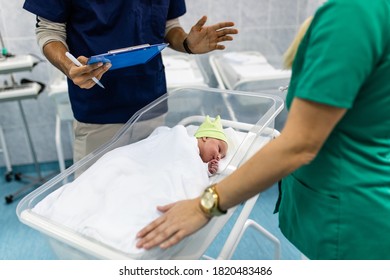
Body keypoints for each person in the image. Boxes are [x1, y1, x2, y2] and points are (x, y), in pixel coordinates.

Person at [136, 0, 390, 260]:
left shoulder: (356, 13)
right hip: (352, 205)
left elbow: (299, 144)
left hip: (351, 218)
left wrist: (204, 206)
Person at [22, 1, 238, 163]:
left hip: (151, 104)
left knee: (148, 195)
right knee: (96, 200)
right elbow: (49, 30)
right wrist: (69, 66)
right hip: (98, 110)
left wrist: (186, 43)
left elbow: (168, 25)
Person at [32, 115, 228, 258]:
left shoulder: (196, 161)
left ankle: (110, 232)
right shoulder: (179, 137)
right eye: (219, 149)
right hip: (138, 161)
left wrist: (206, 168)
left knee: (141, 195)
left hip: (160, 176)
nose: (219, 156)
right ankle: (71, 213)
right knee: (113, 171)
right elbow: (157, 144)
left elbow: (190, 171)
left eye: (222, 156)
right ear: (203, 137)